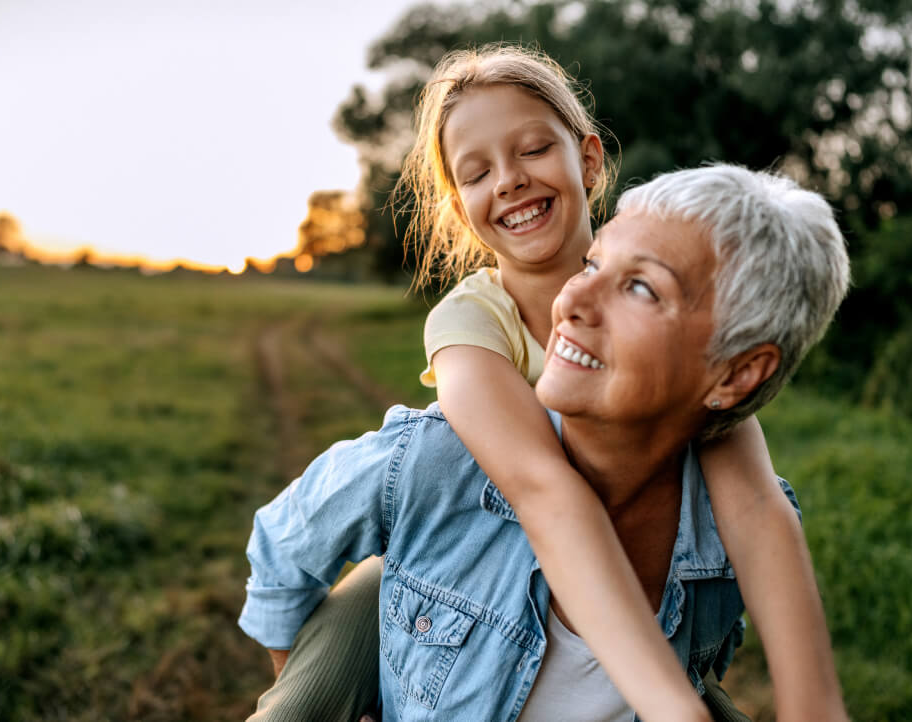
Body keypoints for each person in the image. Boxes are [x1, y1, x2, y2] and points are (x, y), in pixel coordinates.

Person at [246, 46, 847, 721]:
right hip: (455, 559)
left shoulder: (684, 347)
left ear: (588, 159)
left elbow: (759, 510)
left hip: (601, 604)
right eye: (477, 172)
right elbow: (544, 492)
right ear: (458, 204)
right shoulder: (470, 324)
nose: (507, 181)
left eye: (532, 150)